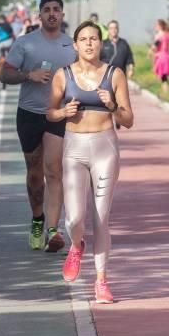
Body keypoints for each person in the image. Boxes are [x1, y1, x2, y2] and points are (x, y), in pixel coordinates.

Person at [46, 21, 133, 303]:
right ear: (75, 45)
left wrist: (111, 106)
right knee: (74, 218)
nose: (89, 43)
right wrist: (63, 112)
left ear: (101, 43)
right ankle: (76, 245)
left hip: (105, 147)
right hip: (74, 147)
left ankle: (101, 281)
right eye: (83, 39)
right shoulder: (63, 75)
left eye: (94, 39)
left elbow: (128, 120)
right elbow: (49, 113)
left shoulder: (114, 74)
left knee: (101, 217)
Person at [1, 0, 77, 252]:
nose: (52, 13)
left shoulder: (72, 46)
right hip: (29, 114)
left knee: (54, 171)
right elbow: (5, 73)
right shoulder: (25, 44)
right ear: (40, 15)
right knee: (35, 174)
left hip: (58, 114)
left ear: (62, 14)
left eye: (56, 9)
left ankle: (53, 230)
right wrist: (27, 75)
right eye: (47, 9)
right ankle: (37, 219)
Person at [148, 19, 169, 95]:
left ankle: (165, 93)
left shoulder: (159, 36)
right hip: (167, 57)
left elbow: (155, 45)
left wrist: (150, 52)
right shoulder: (168, 35)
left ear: (160, 26)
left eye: (156, 25)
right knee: (165, 77)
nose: (155, 27)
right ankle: (166, 92)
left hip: (160, 58)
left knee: (163, 77)